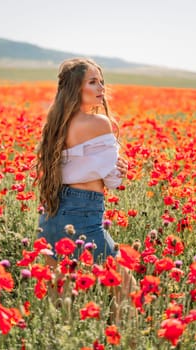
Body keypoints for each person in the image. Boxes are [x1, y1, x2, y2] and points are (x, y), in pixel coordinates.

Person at [35, 57, 128, 268]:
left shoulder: (56, 123)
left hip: (51, 214)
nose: (101, 87)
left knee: (57, 294)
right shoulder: (98, 123)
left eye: (102, 81)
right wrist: (121, 169)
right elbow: (113, 180)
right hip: (83, 213)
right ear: (76, 88)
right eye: (93, 82)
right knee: (125, 288)